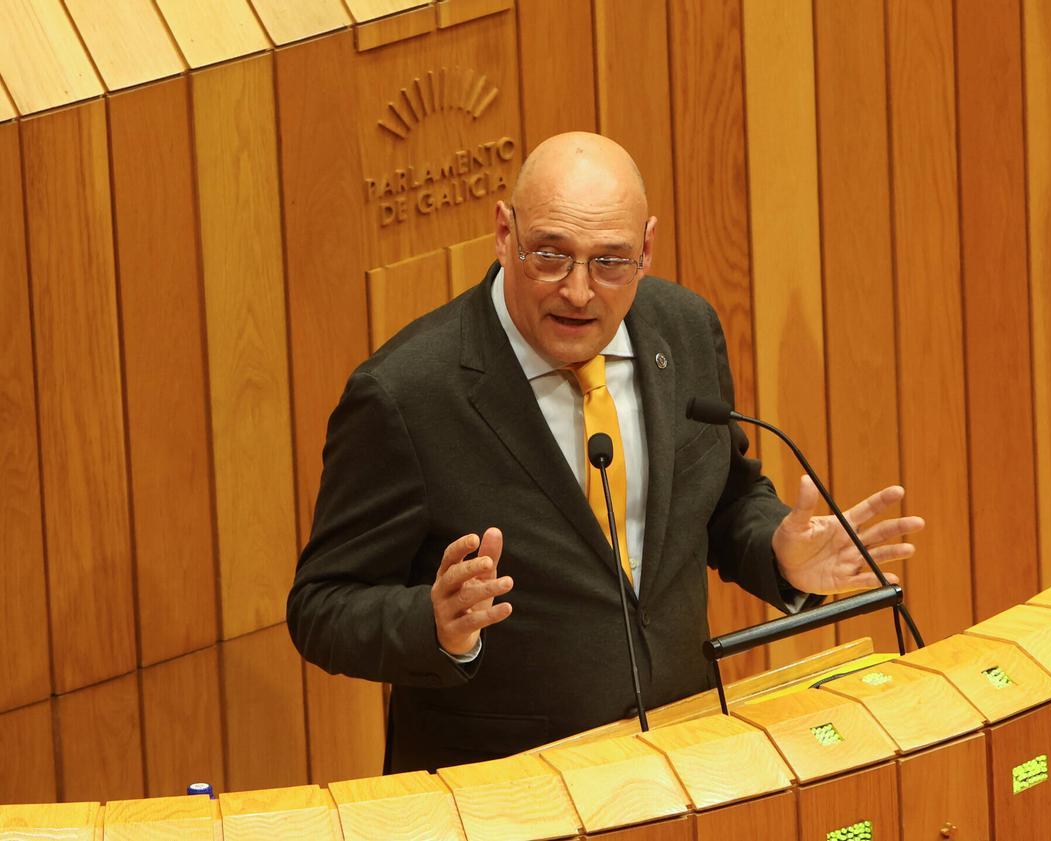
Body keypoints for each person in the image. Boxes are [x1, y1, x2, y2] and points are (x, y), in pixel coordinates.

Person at [287, 132, 924, 773]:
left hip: (682, 759)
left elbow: (725, 498)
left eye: (610, 262)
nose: (579, 291)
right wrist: (435, 625)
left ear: (646, 247)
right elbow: (321, 606)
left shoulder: (684, 329)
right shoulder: (406, 393)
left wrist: (779, 556)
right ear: (503, 234)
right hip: (507, 787)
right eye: (550, 256)